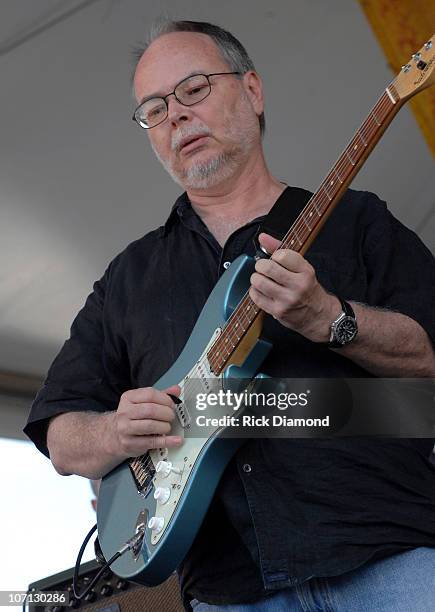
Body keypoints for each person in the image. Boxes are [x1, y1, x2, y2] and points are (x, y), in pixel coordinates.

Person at [24, 20, 435, 612]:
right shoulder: (128, 278)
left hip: (386, 554)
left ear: (253, 91)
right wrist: (117, 430)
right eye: (154, 108)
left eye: (193, 90)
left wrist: (331, 319)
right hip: (231, 584)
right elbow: (61, 434)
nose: (175, 116)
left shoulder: (360, 222)